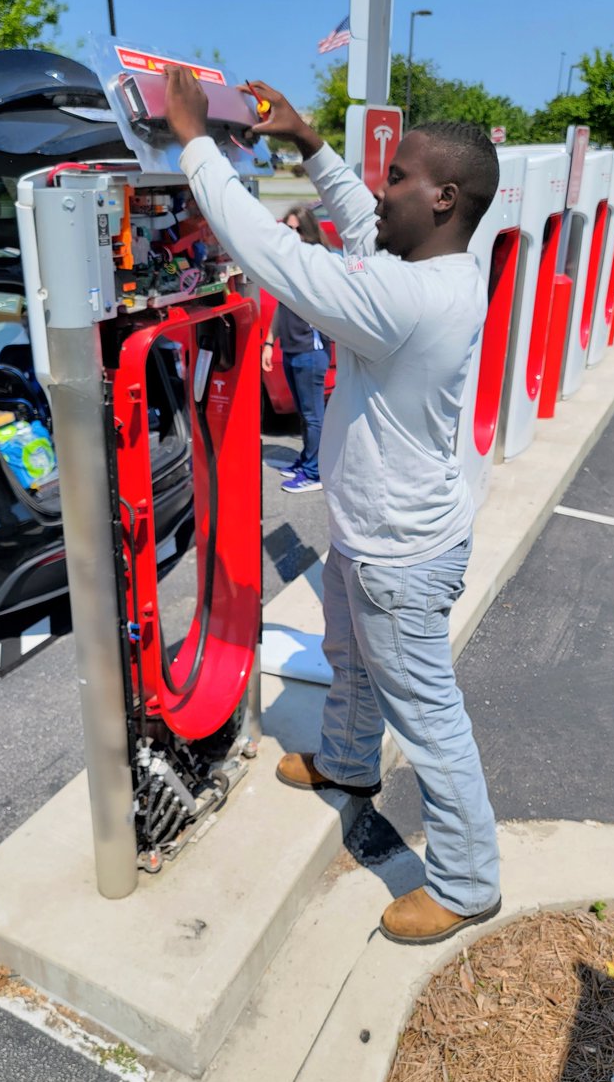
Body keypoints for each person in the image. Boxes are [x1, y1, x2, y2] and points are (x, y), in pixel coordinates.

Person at [164, 66, 501, 946]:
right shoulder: (435, 269)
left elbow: (280, 257)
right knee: (350, 664)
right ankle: (347, 764)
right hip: (374, 535)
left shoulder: (404, 298)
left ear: (446, 197)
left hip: (401, 554)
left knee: (429, 720)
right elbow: (358, 224)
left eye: (399, 175)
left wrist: (197, 144)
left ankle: (467, 882)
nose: (382, 184)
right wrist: (309, 143)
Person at [263, 204, 333, 493]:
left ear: (307, 230)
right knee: (304, 415)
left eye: (296, 229)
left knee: (313, 415)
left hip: (310, 350)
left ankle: (315, 473)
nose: (291, 234)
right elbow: (282, 306)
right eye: (287, 229)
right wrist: (269, 341)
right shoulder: (290, 263)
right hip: (292, 348)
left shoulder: (319, 261)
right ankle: (306, 461)